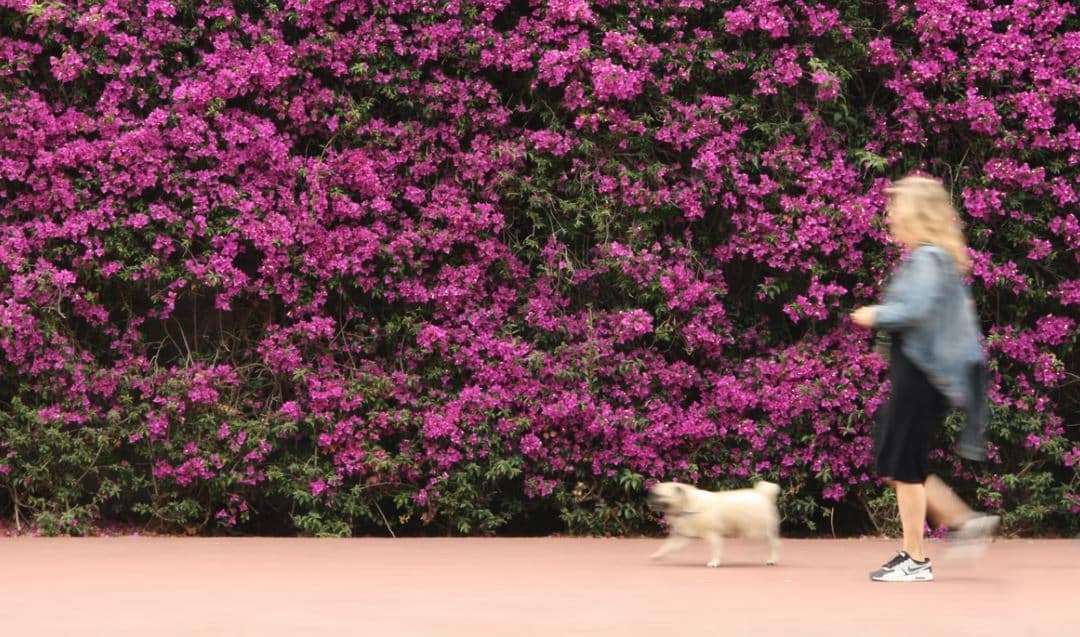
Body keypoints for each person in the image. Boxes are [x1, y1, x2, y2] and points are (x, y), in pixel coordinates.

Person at [850, 175, 1000, 582]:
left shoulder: (929, 258)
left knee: (903, 463)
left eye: (895, 207)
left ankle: (916, 558)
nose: (889, 215)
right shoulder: (931, 257)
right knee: (896, 457)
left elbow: (916, 310)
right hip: (918, 376)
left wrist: (874, 315)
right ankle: (962, 521)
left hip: (921, 377)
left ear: (916, 213)